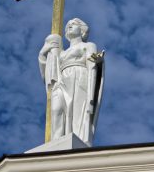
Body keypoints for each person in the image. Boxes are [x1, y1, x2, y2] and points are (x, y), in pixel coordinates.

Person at [38, 18, 104, 146]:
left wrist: (98, 62)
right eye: (68, 25)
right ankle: (56, 142)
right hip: (61, 80)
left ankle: (78, 140)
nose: (69, 26)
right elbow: (48, 72)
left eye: (74, 24)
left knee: (77, 112)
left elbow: (92, 64)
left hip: (79, 77)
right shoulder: (61, 52)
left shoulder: (88, 45)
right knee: (56, 109)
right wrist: (42, 54)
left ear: (82, 30)